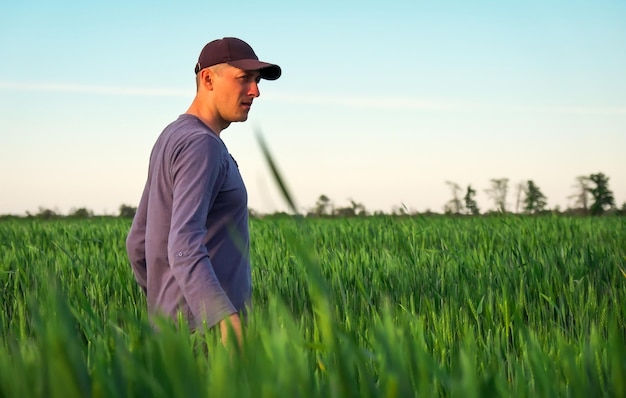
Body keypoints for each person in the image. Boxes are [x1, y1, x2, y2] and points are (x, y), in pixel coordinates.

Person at [126, 37, 281, 347]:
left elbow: (137, 243)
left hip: (176, 330)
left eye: (257, 80)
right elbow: (183, 241)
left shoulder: (171, 136)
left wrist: (165, 304)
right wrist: (222, 318)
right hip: (210, 336)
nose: (256, 91)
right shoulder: (201, 145)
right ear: (208, 79)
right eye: (244, 79)